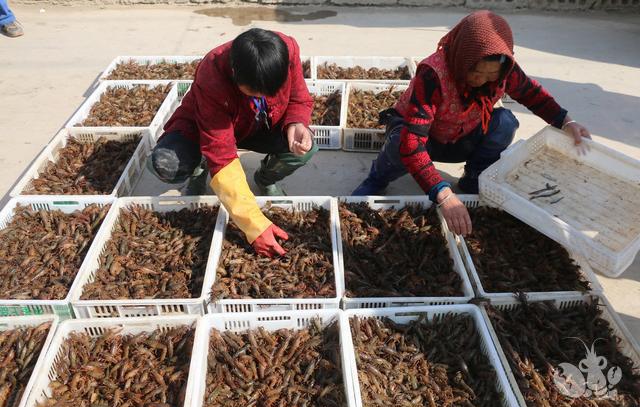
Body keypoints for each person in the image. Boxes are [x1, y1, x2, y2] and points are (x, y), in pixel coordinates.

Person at [352, 11, 590, 237]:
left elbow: (532, 94)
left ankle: (474, 177)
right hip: (427, 139)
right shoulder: (433, 73)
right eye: (475, 71)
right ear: (463, 58)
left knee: (505, 122)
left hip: (463, 136)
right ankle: (377, 178)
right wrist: (443, 194)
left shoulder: (506, 70)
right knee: (402, 140)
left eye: (490, 76)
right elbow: (412, 143)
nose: (481, 80)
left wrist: (567, 122)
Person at [148, 28, 317, 257]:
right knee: (166, 163)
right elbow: (220, 149)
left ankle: (265, 177)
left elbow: (299, 97)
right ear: (235, 73)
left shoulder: (286, 50)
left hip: (261, 123)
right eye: (255, 92)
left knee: (306, 148)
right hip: (207, 125)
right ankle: (199, 167)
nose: (262, 98)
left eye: (268, 93)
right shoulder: (212, 72)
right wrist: (254, 225)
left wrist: (296, 122)